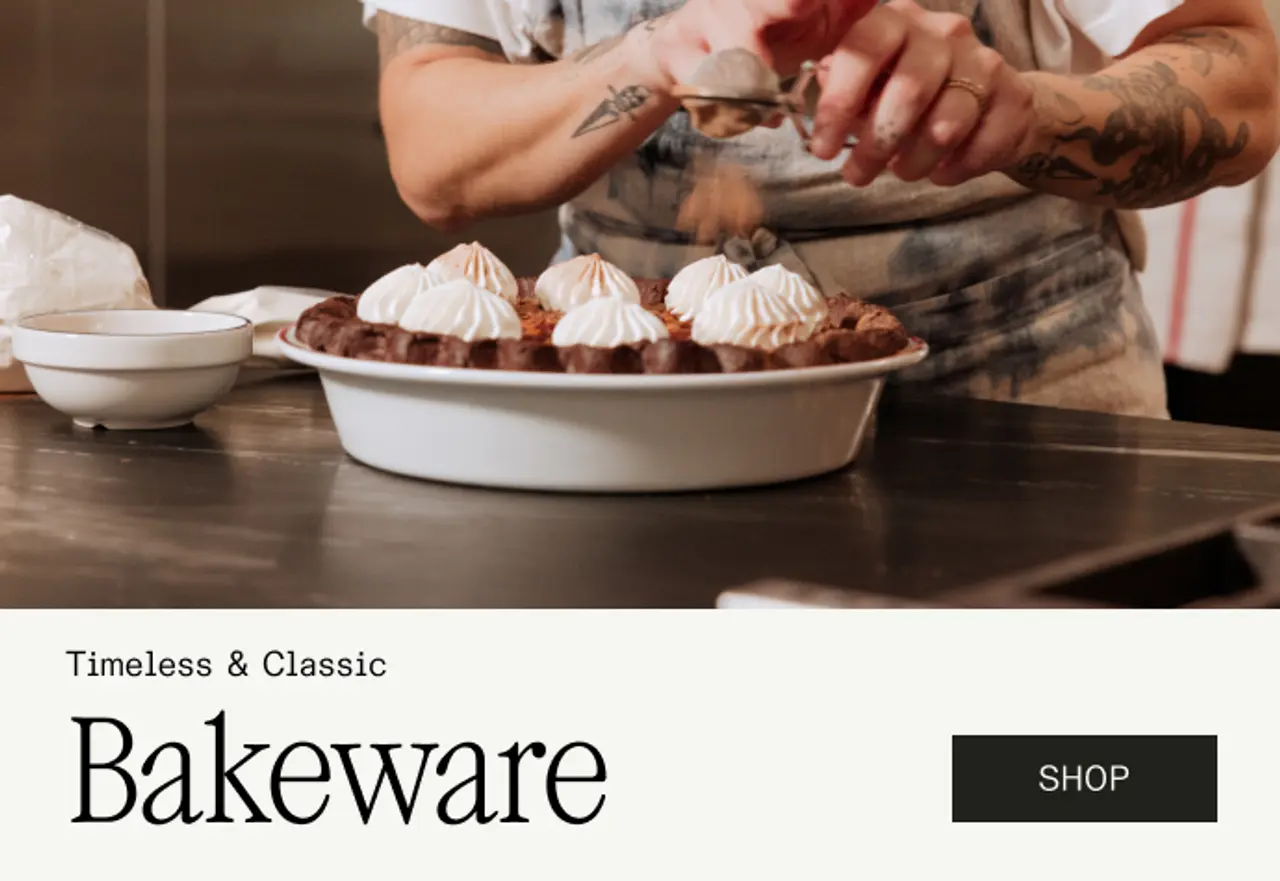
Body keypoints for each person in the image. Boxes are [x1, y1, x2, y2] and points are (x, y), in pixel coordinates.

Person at [361, 0, 1280, 417]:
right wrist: (652, 59)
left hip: (1025, 419)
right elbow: (437, 157)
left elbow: (1244, 81)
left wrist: (1027, 115)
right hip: (624, 418)